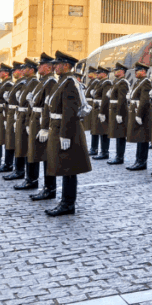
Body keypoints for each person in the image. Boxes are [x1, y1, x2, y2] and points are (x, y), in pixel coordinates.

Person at [42, 51, 92, 216]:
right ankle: (65, 202)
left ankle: (68, 204)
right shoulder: (63, 81)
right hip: (59, 127)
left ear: (66, 65)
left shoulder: (69, 83)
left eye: (58, 64)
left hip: (67, 129)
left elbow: (69, 112)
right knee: (65, 167)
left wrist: (65, 135)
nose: (55, 67)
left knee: (69, 169)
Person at [23, 54, 58, 196]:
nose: (38, 67)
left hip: (42, 121)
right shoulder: (43, 81)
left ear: (48, 68)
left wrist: (45, 127)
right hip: (35, 120)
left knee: (46, 156)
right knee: (35, 152)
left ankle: (50, 188)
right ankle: (32, 180)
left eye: (41, 65)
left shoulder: (51, 82)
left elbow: (49, 106)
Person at [3, 60, 37, 183]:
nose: (22, 71)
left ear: (32, 70)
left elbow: (30, 104)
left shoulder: (33, 82)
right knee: (19, 144)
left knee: (24, 146)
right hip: (19, 114)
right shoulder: (27, 82)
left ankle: (23, 172)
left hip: (25, 116)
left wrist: (27, 121)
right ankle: (18, 170)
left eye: (24, 68)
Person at [124, 62, 152, 171]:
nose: (135, 72)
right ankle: (138, 160)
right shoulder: (139, 82)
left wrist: (139, 115)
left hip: (142, 114)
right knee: (139, 138)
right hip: (136, 112)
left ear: (143, 71)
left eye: (137, 70)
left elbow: (144, 100)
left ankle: (142, 162)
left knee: (143, 138)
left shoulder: (146, 82)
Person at [106, 63, 129, 165]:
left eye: (117, 70)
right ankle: (118, 155)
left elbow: (122, 99)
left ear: (122, 72)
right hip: (114, 110)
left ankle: (120, 157)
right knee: (117, 134)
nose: (115, 72)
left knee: (120, 134)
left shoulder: (123, 83)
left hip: (119, 111)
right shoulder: (117, 82)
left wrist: (120, 113)